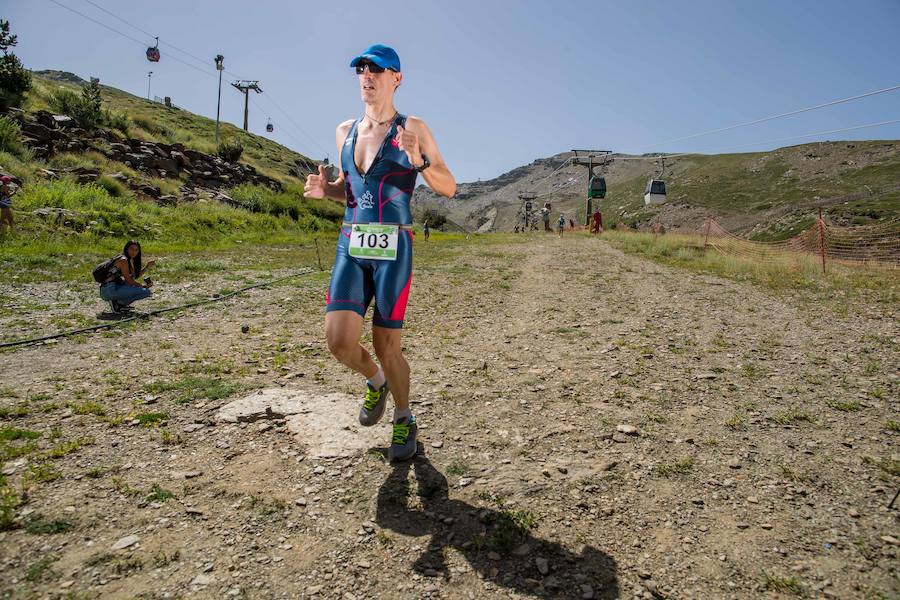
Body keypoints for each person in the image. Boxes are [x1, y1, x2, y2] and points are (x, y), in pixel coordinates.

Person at [304, 44, 456, 461]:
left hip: (394, 248)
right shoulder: (345, 130)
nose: (367, 75)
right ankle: (375, 382)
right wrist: (327, 190)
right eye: (362, 70)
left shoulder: (414, 127)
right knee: (338, 342)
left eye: (377, 69)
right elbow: (350, 190)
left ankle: (404, 418)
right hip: (350, 244)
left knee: (388, 345)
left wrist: (419, 159)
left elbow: (449, 186)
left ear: (397, 78)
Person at [99, 240, 156, 313]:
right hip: (109, 289)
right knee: (146, 292)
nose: (134, 252)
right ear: (127, 249)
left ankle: (119, 305)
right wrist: (142, 286)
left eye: (136, 250)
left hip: (110, 288)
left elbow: (134, 277)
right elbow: (128, 280)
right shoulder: (123, 260)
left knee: (139, 289)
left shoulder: (130, 260)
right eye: (131, 249)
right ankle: (118, 303)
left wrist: (147, 267)